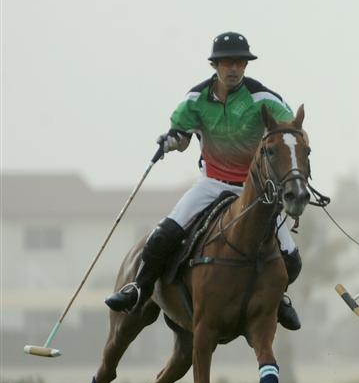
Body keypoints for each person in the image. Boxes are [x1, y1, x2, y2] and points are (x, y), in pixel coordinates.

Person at [105, 32, 305, 329]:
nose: (234, 68)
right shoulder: (195, 99)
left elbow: (289, 131)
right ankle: (139, 289)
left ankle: (278, 299)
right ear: (215, 65)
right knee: (163, 235)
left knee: (291, 258)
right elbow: (182, 135)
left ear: (245, 65)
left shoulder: (263, 98)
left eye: (239, 62)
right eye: (227, 62)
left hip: (253, 190)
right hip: (212, 183)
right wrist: (173, 140)